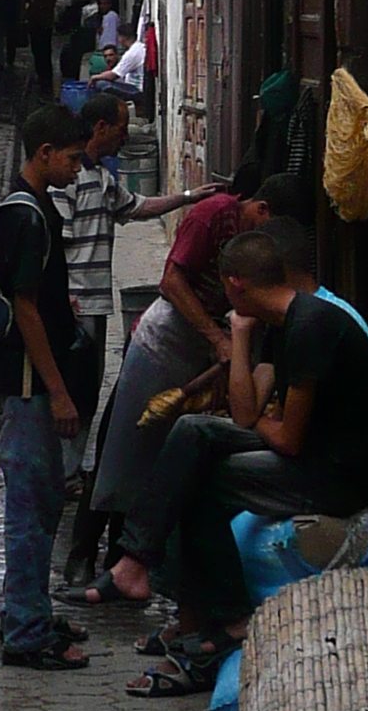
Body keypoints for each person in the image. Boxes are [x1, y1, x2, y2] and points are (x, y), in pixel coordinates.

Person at [112, 221, 368, 665]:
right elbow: (246, 412)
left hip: (334, 479)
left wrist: (258, 418)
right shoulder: (284, 322)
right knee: (191, 433)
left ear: (235, 284)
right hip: (310, 457)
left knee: (200, 480)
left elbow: (288, 440)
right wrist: (239, 338)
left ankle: (210, 606)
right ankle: (142, 565)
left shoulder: (311, 327)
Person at [76, 165, 313, 594]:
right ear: (259, 207)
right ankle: (83, 554)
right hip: (162, 344)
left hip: (206, 352)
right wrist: (218, 338)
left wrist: (227, 351)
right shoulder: (213, 214)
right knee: (122, 451)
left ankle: (123, 563)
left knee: (164, 460)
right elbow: (171, 281)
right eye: (267, 227)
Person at [56, 97, 194, 578]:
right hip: (76, 302)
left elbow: (137, 208)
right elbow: (59, 237)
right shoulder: (70, 177)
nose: (125, 136)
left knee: (89, 395)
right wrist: (64, 295)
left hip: (95, 303)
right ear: (100, 127)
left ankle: (70, 474)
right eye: (120, 128)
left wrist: (188, 199)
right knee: (75, 392)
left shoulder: (101, 177)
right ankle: (63, 474)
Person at [0, 102, 97, 670]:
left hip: (33, 378)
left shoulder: (33, 208)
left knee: (47, 499)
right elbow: (24, 307)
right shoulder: (26, 215)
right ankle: (26, 632)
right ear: (45, 154)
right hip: (29, 384)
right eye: (73, 159)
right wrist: (57, 390)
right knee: (30, 509)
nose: (79, 169)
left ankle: (29, 610)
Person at [23, 0, 59, 97]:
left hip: (35, 24)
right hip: (46, 24)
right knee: (46, 50)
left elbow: (26, 4)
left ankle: (41, 74)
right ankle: (46, 76)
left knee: (37, 51)